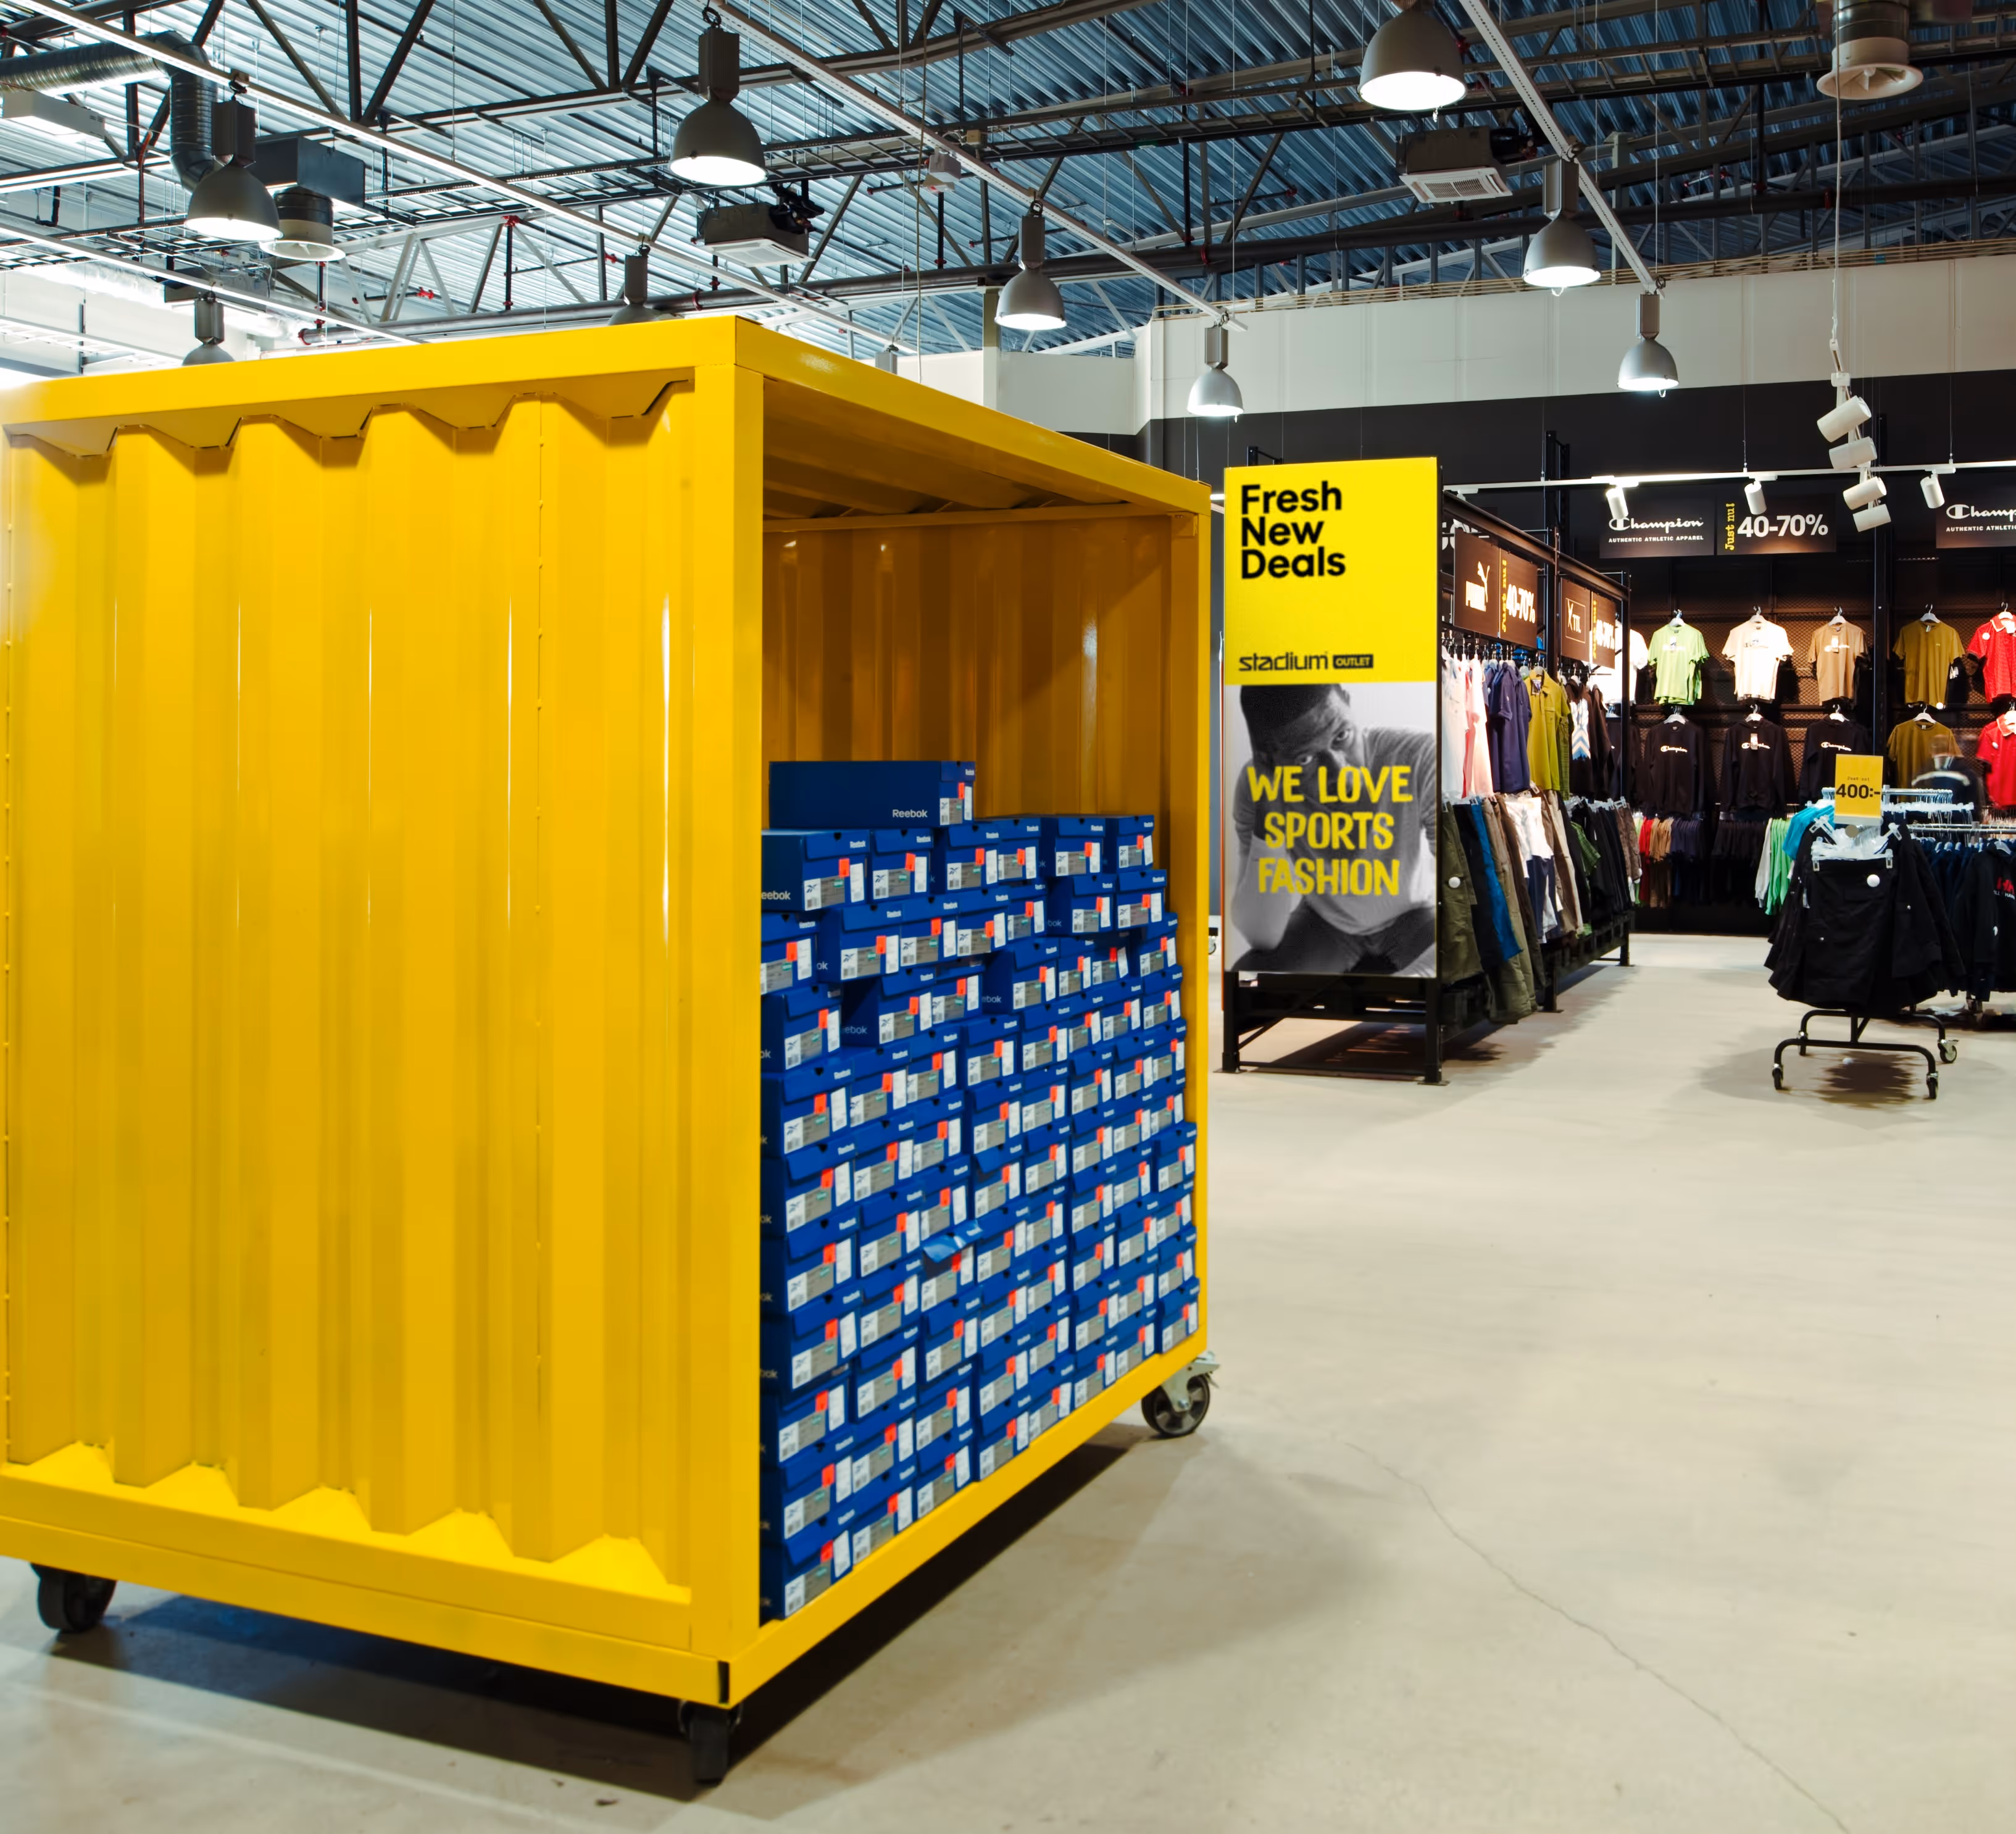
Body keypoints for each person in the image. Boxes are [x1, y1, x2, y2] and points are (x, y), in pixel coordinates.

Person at [1230, 683, 1436, 975]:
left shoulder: (1417, 755)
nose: (1339, 773)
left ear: (1349, 703)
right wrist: (1269, 806)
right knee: (1248, 985)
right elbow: (1263, 934)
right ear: (1272, 760)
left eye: (1342, 736)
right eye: (1306, 759)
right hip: (1326, 922)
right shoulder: (1258, 783)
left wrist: (1409, 982)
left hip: (1412, 915)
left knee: (1460, 976)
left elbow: (1467, 901)